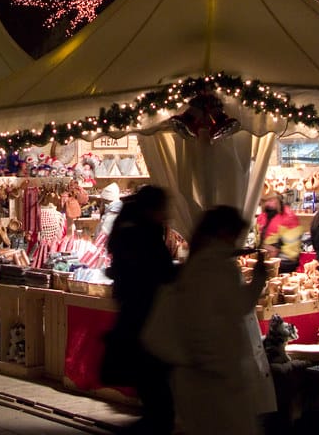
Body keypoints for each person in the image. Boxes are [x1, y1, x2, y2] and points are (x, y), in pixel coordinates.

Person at [171, 206, 277, 435]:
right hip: (215, 371)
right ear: (225, 233)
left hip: (199, 371)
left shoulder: (196, 262)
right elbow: (238, 306)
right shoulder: (216, 266)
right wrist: (259, 279)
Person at [102, 185, 178, 434]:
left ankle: (153, 422)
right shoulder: (141, 231)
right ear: (153, 208)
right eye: (164, 208)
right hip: (144, 313)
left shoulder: (131, 224)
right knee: (154, 381)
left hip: (136, 308)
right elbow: (157, 269)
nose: (167, 213)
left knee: (152, 384)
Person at [255, 192, 303, 273]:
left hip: (284, 264)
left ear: (278, 200)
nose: (267, 203)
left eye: (271, 200)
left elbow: (291, 252)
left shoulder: (289, 217)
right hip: (266, 262)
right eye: (265, 201)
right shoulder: (262, 217)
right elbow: (258, 241)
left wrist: (275, 252)